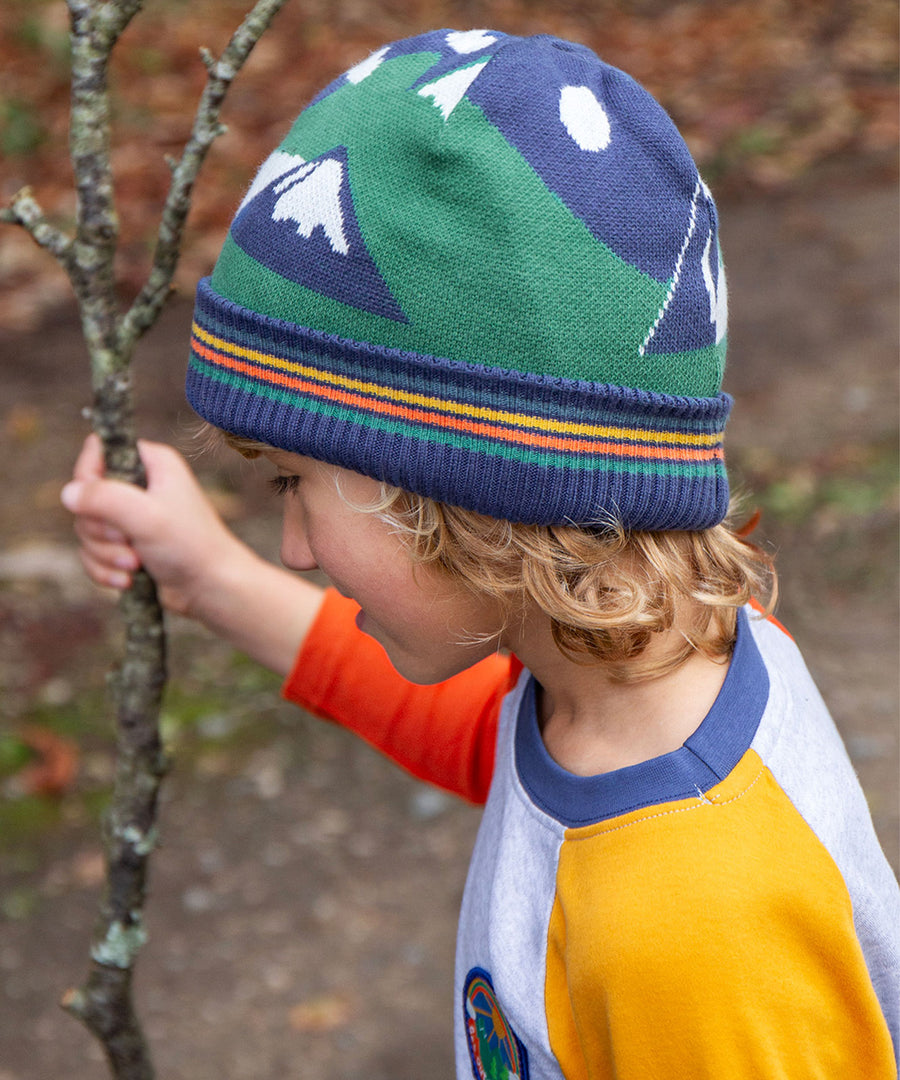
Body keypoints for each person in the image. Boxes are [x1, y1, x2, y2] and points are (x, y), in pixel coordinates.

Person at [61, 28, 899, 1079]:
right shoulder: (649, 668)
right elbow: (489, 744)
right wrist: (213, 579)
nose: (295, 544)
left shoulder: (692, 933)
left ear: (469, 487)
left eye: (292, 484)